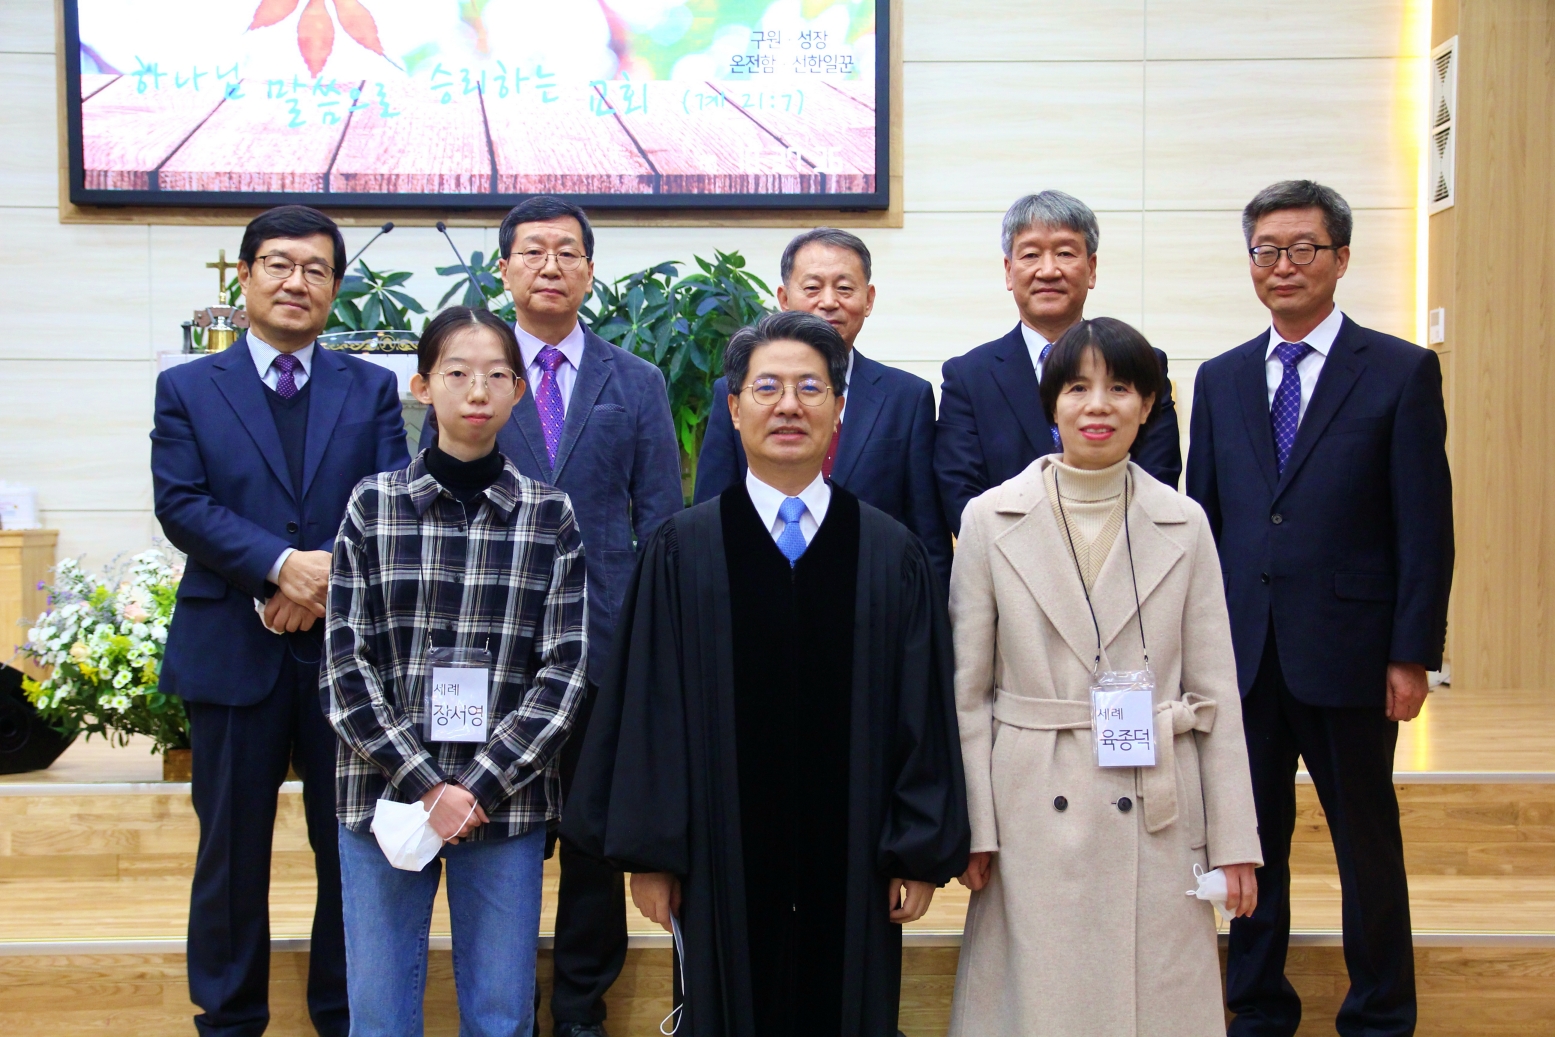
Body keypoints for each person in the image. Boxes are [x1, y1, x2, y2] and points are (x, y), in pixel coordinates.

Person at [563, 311, 970, 1037]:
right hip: (718, 860)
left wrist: (916, 848)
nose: (789, 405)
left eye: (810, 387)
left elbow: (921, 710)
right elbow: (651, 710)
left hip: (855, 865)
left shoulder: (889, 554)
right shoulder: (682, 552)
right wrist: (653, 854)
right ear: (734, 407)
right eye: (768, 387)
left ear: (838, 408)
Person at [1186, 180, 1454, 1037]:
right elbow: (1203, 523)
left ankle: (1379, 1013)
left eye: (1303, 248)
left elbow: (1424, 524)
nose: (1283, 264)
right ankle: (1258, 1007)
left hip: (1352, 650)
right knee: (1247, 838)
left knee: (1364, 841)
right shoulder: (1220, 378)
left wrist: (1411, 651)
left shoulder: (1400, 370)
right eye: (1266, 249)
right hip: (1244, 652)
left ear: (1339, 258)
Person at [949, 316, 1262, 1037]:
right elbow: (967, 693)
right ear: (1051, 402)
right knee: (1040, 1002)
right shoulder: (990, 519)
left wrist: (1235, 842)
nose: (1098, 405)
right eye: (1078, 387)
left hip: (1154, 797)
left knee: (1152, 1000)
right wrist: (975, 826)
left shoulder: (1183, 521)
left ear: (1147, 405)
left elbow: (1215, 692)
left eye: (1120, 388)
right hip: (1031, 797)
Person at [417, 197, 682, 1037]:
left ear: (590, 270)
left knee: (594, 844)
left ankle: (578, 1012)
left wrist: (646, 646)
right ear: (503, 269)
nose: (550, 265)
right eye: (532, 250)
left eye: (568, 251)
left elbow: (660, 524)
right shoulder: (472, 373)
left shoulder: (634, 381)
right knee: (501, 837)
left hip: (603, 647)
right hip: (492, 652)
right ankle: (504, 1011)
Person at [151, 205, 410, 1037]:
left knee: (349, 851)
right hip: (231, 646)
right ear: (245, 276)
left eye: (316, 269)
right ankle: (229, 1020)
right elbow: (181, 503)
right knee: (231, 852)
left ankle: (344, 1013)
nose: (297, 282)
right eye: (279, 264)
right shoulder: (188, 387)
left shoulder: (370, 388)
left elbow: (389, 502)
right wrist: (278, 563)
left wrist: (317, 577)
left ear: (334, 287)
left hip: (346, 660)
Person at [324, 306, 589, 1037]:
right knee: (378, 1016)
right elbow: (345, 665)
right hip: (382, 794)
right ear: (422, 386)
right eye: (457, 373)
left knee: (501, 1016)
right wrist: (426, 784)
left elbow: (563, 672)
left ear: (518, 392)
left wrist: (473, 786)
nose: (478, 390)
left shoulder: (549, 515)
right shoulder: (373, 506)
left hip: (504, 803)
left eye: (497, 375)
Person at [693, 228, 953, 590]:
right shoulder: (739, 391)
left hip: (872, 601)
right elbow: (709, 517)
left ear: (868, 299)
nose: (829, 302)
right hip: (752, 594)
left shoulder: (907, 397)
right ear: (784, 298)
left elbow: (929, 539)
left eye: (844, 288)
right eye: (812, 287)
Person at [935, 190, 1182, 536]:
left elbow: (1158, 479)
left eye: (1065, 253)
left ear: (1091, 269)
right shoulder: (968, 377)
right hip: (1009, 561)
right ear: (1009, 272)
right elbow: (961, 495)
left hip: (1124, 558)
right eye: (1031, 255)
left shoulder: (1141, 365)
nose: (1048, 271)